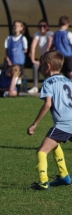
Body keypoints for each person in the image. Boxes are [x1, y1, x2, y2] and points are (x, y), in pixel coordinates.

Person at [27, 51, 72, 190]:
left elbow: (47, 104)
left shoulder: (48, 82)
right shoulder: (68, 81)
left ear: (47, 66)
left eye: (41, 66)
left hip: (63, 124)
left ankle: (43, 182)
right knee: (54, 143)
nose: (40, 69)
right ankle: (64, 177)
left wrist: (34, 124)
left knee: (41, 151)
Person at [28, 19, 53, 94]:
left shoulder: (50, 34)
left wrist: (43, 60)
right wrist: (33, 60)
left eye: (44, 26)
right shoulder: (37, 35)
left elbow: (48, 48)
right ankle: (35, 86)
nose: (42, 28)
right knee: (35, 66)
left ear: (47, 27)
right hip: (42, 59)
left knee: (48, 69)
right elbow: (33, 47)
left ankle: (51, 86)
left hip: (50, 58)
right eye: (40, 26)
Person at [4, 20, 28, 92]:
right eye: (14, 26)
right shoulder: (9, 38)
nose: (15, 27)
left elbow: (25, 50)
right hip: (11, 61)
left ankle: (18, 89)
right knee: (10, 75)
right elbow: (6, 50)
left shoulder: (23, 38)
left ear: (21, 28)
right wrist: (8, 59)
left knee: (19, 76)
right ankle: (10, 88)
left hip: (19, 61)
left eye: (17, 26)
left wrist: (19, 53)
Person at [50, 15, 72, 79]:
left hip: (59, 55)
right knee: (70, 71)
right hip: (68, 55)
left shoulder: (55, 34)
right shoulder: (68, 34)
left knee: (60, 71)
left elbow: (53, 45)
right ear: (67, 24)